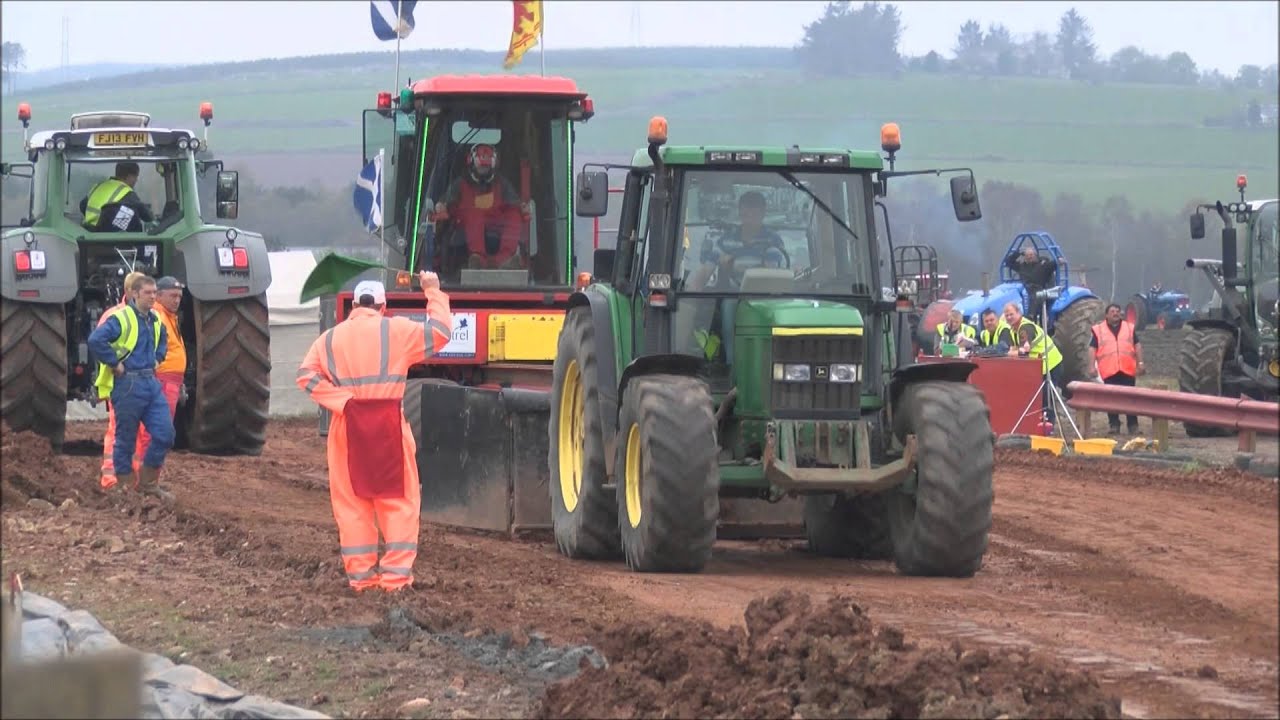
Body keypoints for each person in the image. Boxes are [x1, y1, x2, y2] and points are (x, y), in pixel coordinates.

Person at [296, 272, 453, 593]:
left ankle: (362, 580)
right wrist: (433, 291)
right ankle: (395, 581)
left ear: (354, 306)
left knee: (353, 505)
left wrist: (341, 401)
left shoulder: (329, 339)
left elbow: (305, 376)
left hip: (347, 424)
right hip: (387, 424)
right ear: (383, 306)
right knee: (398, 502)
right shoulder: (397, 331)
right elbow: (441, 332)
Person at [87, 274, 175, 503]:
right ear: (135, 294)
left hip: (150, 382)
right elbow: (96, 340)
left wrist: (157, 359)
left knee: (165, 434)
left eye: (155, 293)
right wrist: (114, 363)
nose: (153, 297)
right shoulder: (121, 318)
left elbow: (163, 340)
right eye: (148, 293)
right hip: (128, 385)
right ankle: (125, 488)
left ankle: (147, 484)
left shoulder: (155, 318)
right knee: (125, 439)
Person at [431, 144, 531, 271]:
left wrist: (522, 207)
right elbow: (446, 201)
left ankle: (504, 260)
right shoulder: (461, 183)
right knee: (474, 214)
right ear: (472, 163)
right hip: (466, 225)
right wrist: (441, 205)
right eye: (481, 167)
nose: (484, 170)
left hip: (495, 222)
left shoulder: (501, 183)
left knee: (514, 214)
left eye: (486, 167)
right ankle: (478, 260)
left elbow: (515, 203)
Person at [96, 271, 147, 490]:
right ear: (131, 291)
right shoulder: (116, 316)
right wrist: (117, 366)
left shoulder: (150, 316)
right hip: (123, 384)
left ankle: (131, 480)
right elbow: (100, 346)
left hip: (142, 384)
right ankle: (113, 480)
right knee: (120, 430)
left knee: (138, 431)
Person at [1003, 301, 1064, 422]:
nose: (1009, 317)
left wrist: (1006, 354)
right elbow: (1015, 348)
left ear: (1019, 313)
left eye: (1011, 314)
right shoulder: (1013, 330)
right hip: (1040, 366)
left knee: (1046, 399)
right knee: (1039, 399)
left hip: (1051, 364)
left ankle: (1048, 426)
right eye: (1007, 315)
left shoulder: (1025, 328)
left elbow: (1023, 352)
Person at [1089, 303, 1145, 435]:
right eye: (1112, 311)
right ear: (1106, 315)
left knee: (1130, 398)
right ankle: (1114, 425)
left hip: (1127, 369)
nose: (1115, 313)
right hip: (1109, 370)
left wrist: (1140, 363)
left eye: (1117, 311)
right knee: (1111, 399)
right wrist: (1091, 366)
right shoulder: (1099, 330)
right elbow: (1092, 348)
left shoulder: (1128, 327)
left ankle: (1133, 425)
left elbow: (1137, 345)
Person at [80, 162, 154, 233]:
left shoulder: (99, 186)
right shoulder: (127, 192)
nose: (136, 180)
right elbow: (147, 216)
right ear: (129, 176)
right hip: (103, 235)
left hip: (87, 233)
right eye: (136, 176)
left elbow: (82, 205)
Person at [1004, 246, 1060, 323]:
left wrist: (1059, 259)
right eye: (1027, 255)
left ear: (1035, 255)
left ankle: (1030, 316)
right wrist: (1018, 253)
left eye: (1031, 255)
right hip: (1025, 289)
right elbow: (1008, 262)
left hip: (1039, 289)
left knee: (1035, 295)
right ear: (1024, 257)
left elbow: (1056, 263)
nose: (1029, 257)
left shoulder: (1043, 265)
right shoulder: (1021, 266)